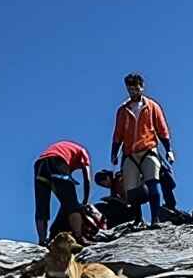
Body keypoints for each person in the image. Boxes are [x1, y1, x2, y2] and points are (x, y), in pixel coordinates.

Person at [110, 73, 175, 216]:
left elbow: (162, 129)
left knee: (153, 182)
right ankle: (138, 219)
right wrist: (114, 152)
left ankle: (155, 218)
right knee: (131, 189)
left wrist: (168, 149)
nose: (133, 92)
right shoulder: (123, 110)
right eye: (130, 89)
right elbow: (118, 133)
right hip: (129, 153)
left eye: (135, 88)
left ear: (142, 87)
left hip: (148, 149)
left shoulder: (152, 106)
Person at [33, 139, 94, 243]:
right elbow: (87, 178)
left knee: (41, 205)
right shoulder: (83, 151)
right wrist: (85, 200)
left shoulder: (67, 150)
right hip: (57, 161)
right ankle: (79, 237)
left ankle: (42, 241)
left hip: (40, 165)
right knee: (72, 203)